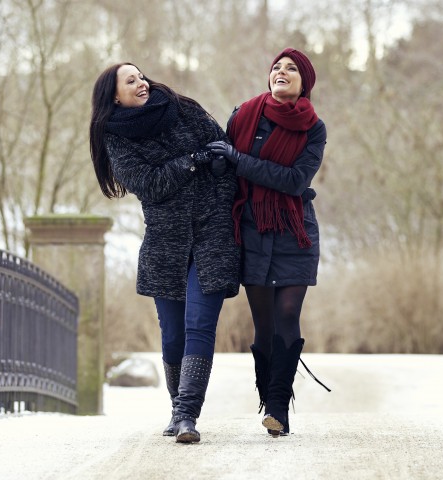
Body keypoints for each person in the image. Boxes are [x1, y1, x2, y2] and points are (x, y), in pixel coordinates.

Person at [89, 63, 240, 443]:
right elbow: (150, 184)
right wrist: (193, 161)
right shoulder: (116, 138)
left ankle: (188, 414)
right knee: (173, 335)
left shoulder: (183, 108)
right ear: (115, 97)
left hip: (212, 237)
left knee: (199, 325)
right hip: (166, 245)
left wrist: (218, 165)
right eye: (130, 81)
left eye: (141, 76)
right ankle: (177, 410)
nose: (141, 83)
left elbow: (222, 151)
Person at [207, 48, 330, 437]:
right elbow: (224, 173)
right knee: (263, 324)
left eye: (292, 69)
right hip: (252, 230)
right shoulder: (243, 116)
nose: (282, 72)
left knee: (287, 316)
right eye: (277, 67)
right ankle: (268, 395)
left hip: (295, 231)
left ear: (303, 82)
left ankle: (279, 407)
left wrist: (237, 160)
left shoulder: (314, 128)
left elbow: (295, 180)